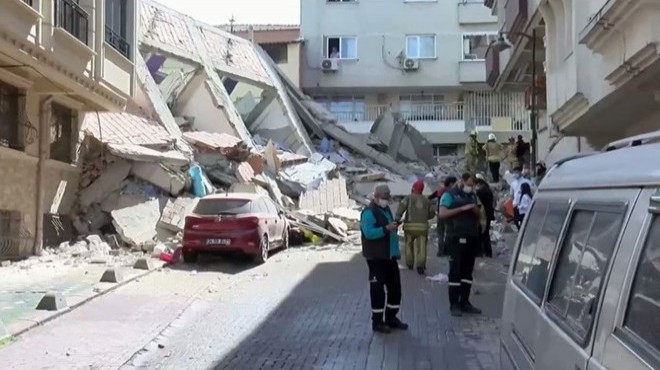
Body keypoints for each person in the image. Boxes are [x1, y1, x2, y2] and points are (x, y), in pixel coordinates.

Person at [360, 184, 409, 333]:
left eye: (388, 198)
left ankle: (391, 317)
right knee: (378, 291)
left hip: (389, 256)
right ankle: (377, 322)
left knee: (395, 289)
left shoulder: (385, 209)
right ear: (376, 197)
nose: (386, 201)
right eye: (384, 198)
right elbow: (368, 233)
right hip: (376, 257)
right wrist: (385, 229)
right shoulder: (369, 212)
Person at [438, 173, 483, 317]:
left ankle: (465, 301)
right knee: (455, 272)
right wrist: (462, 209)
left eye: (472, 185)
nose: (471, 187)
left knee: (467, 273)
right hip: (455, 238)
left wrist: (475, 210)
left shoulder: (472, 196)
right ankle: (454, 304)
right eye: (469, 184)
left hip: (471, 237)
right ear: (462, 181)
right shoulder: (449, 195)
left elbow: (479, 214)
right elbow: (442, 213)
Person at [396, 180, 436, 275]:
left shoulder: (408, 198)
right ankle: (420, 265)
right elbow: (432, 213)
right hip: (422, 228)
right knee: (422, 246)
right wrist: (425, 217)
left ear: (413, 188)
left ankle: (410, 263)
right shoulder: (426, 200)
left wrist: (397, 219)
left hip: (409, 227)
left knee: (409, 244)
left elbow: (401, 208)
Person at [429, 176, 458, 257]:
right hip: (449, 214)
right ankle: (447, 250)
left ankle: (440, 251)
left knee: (440, 233)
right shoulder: (453, 191)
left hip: (440, 214)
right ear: (451, 183)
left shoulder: (440, 190)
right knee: (449, 232)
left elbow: (430, 197)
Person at [475, 176, 495, 258]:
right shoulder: (489, 190)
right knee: (486, 233)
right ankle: (488, 252)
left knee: (480, 233)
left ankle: (480, 251)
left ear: (479, 184)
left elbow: (479, 204)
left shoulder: (479, 192)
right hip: (489, 214)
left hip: (483, 215)